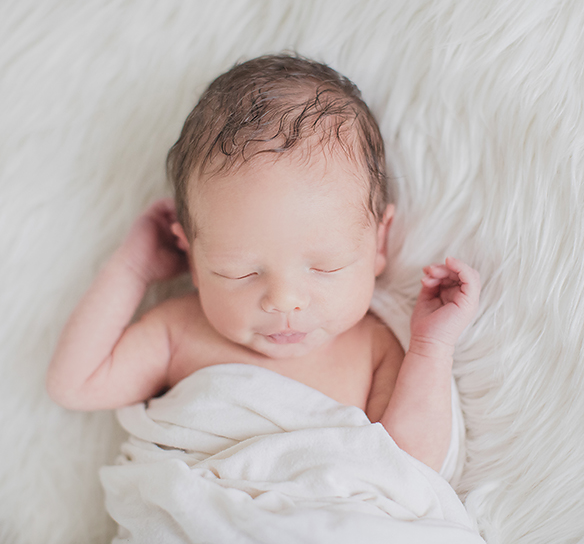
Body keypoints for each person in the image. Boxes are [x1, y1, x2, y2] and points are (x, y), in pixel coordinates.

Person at [47, 54, 480, 473]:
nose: (283, 300)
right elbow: (75, 383)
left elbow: (413, 466)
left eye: (325, 267)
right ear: (191, 259)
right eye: (240, 271)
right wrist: (132, 270)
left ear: (379, 242)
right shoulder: (179, 331)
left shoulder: (373, 348)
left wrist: (430, 348)